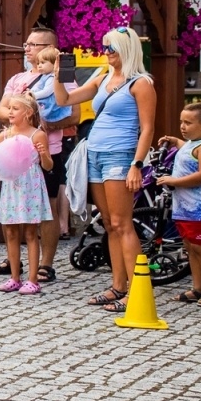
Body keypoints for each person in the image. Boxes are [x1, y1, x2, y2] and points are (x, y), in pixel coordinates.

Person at [53, 27, 157, 311]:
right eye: (105, 46)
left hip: (120, 156)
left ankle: (136, 292)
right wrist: (59, 74)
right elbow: (65, 100)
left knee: (123, 225)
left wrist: (137, 164)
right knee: (109, 224)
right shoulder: (103, 77)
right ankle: (118, 286)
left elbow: (147, 128)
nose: (106, 51)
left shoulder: (141, 83)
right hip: (96, 154)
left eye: (111, 47)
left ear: (126, 48)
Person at [0, 30, 75, 281]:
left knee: (47, 207)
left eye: (33, 44)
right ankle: (13, 259)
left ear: (50, 47)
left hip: (48, 150)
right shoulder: (18, 78)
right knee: (10, 205)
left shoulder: (64, 74)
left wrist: (47, 125)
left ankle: (45, 264)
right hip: (15, 153)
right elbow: (2, 110)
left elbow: (76, 115)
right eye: (26, 44)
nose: (26, 48)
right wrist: (22, 116)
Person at [156, 103, 201, 308]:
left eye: (188, 123)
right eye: (181, 122)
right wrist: (175, 141)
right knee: (190, 248)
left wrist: (173, 181)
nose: (183, 126)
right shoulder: (193, 144)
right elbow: (186, 149)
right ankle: (198, 287)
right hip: (184, 207)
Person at [0, 93, 52, 294]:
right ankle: (15, 277)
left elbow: (48, 165)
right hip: (11, 185)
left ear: (28, 113)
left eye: (15, 108)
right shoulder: (4, 135)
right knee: (10, 231)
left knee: (30, 232)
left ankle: (33, 279)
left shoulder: (37, 134)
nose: (10, 112)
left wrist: (43, 153)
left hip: (30, 185)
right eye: (9, 108)